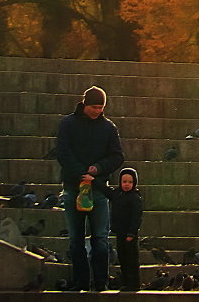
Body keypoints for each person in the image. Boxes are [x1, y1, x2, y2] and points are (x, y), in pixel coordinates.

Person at [56, 86, 124, 292]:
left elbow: (117, 156)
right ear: (85, 104)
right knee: (76, 239)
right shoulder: (67, 124)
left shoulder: (108, 127)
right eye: (94, 106)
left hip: (99, 189)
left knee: (100, 239)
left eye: (101, 107)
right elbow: (63, 153)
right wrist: (82, 174)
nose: (97, 111)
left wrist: (98, 169)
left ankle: (101, 281)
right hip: (73, 187)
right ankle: (81, 281)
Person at [106, 167, 143, 292]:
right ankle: (126, 282)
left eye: (130, 182)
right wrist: (93, 180)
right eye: (124, 182)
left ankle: (134, 283)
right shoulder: (117, 194)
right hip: (120, 232)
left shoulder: (135, 198)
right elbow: (106, 191)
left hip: (130, 234)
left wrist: (132, 232)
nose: (127, 184)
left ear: (134, 183)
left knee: (131, 259)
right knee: (122, 257)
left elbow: (136, 217)